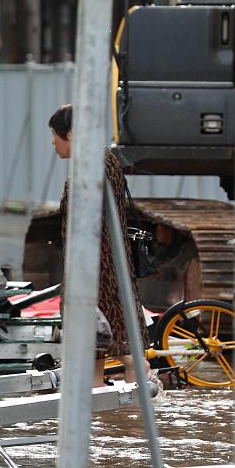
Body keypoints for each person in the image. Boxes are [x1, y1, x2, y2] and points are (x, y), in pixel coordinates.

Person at [50, 103, 149, 384]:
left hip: (95, 269)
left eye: (54, 134)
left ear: (70, 133)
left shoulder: (91, 165)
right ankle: (104, 417)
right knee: (96, 347)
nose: (52, 142)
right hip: (104, 263)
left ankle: (134, 400)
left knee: (106, 342)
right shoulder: (104, 158)